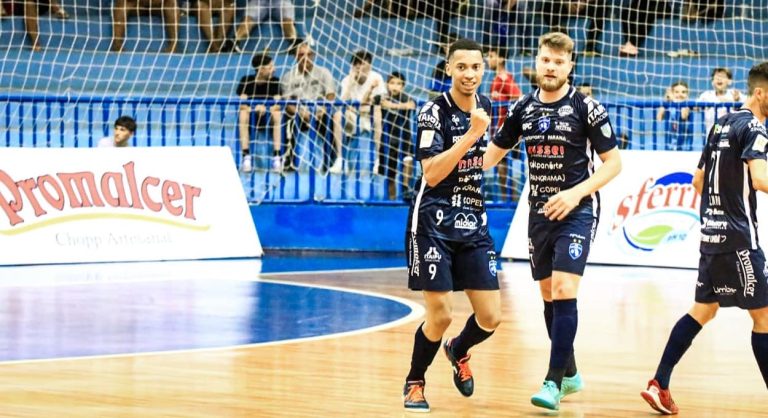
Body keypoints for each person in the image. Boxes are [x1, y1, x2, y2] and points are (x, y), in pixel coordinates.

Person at [484, 31, 622, 411]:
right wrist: (457, 161)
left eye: (559, 62)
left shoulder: (586, 107)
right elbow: (492, 154)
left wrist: (576, 193)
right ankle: (571, 372)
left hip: (577, 210)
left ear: (570, 66)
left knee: (563, 288)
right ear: (537, 61)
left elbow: (614, 164)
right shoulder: (523, 107)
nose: (551, 67)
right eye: (546, 60)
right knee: (547, 294)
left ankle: (553, 382)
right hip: (539, 213)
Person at [640, 61, 768, 415]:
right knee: (764, 318)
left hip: (711, 235)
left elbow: (697, 181)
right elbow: (760, 179)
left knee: (703, 310)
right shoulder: (755, 128)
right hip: (739, 240)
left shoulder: (721, 123)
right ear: (760, 93)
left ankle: (659, 383)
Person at [402, 38, 501, 413]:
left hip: (473, 222)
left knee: (490, 317)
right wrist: (472, 134)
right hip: (433, 223)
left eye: (475, 67)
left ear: (483, 69)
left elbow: (484, 160)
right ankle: (415, 382)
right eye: (462, 67)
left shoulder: (486, 105)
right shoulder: (432, 112)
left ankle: (458, 349)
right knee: (441, 314)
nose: (469, 74)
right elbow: (432, 172)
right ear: (449, 69)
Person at [279, 42, 342, 172]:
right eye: (302, 55)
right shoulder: (288, 76)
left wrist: (322, 110)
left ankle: (331, 161)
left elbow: (331, 95)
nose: (305, 58)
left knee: (329, 122)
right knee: (286, 121)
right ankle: (289, 160)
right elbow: (287, 102)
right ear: (296, 56)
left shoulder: (324, 72)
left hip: (320, 114)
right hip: (299, 115)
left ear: (313, 55)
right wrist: (300, 113)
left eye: (309, 54)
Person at [339, 50, 387, 175]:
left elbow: (378, 103)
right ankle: (340, 159)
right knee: (338, 115)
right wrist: (351, 83)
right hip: (353, 117)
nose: (359, 67)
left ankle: (378, 160)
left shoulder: (376, 78)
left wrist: (357, 107)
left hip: (370, 117)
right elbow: (342, 104)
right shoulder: (346, 80)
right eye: (356, 63)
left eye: (362, 63)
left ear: (369, 65)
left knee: (377, 112)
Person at [237, 53, 282, 173]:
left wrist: (265, 108)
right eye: (270, 67)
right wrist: (255, 108)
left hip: (268, 116)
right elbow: (242, 103)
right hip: (252, 115)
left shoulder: (275, 81)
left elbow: (277, 105)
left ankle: (277, 157)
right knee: (243, 114)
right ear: (261, 69)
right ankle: (246, 156)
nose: (274, 69)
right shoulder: (246, 80)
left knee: (277, 115)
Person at [487, 46, 521, 202]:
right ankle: (506, 198)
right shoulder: (496, 79)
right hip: (496, 128)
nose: (488, 59)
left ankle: (509, 199)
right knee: (501, 165)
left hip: (505, 129)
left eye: (491, 56)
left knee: (503, 165)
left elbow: (518, 97)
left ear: (501, 58)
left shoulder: (504, 79)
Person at [377, 71, 416, 200]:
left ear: (403, 86)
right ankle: (392, 199)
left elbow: (412, 105)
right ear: (387, 84)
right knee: (390, 173)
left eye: (399, 84)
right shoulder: (382, 98)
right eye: (392, 83)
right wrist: (371, 89)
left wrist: (392, 106)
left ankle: (405, 187)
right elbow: (368, 101)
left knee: (408, 159)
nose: (395, 86)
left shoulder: (405, 98)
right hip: (388, 139)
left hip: (404, 137)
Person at [227, 0, 298, 53]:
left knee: (288, 22)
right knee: (247, 21)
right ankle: (235, 41)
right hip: (258, 2)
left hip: (281, 1)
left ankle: (294, 42)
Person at [112, 0, 180, 53]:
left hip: (157, 6)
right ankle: (117, 44)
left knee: (171, 3)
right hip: (136, 6)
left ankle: (173, 45)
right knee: (121, 3)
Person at [3, 0, 69, 51]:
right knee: (29, 4)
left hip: (38, 3)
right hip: (18, 4)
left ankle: (55, 7)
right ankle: (35, 42)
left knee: (31, 3)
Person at [698, 67, 742, 137]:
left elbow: (748, 106)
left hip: (731, 136)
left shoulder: (735, 94)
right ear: (712, 82)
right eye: (717, 77)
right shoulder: (706, 96)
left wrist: (737, 101)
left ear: (729, 81)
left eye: (723, 77)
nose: (719, 79)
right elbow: (694, 107)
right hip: (712, 137)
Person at [657, 80, 693, 151]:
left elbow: (683, 116)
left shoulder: (687, 106)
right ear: (672, 93)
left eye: (683, 92)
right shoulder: (669, 106)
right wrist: (666, 100)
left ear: (687, 94)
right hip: (670, 141)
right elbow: (659, 118)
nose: (680, 94)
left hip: (683, 143)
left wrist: (674, 100)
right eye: (676, 92)